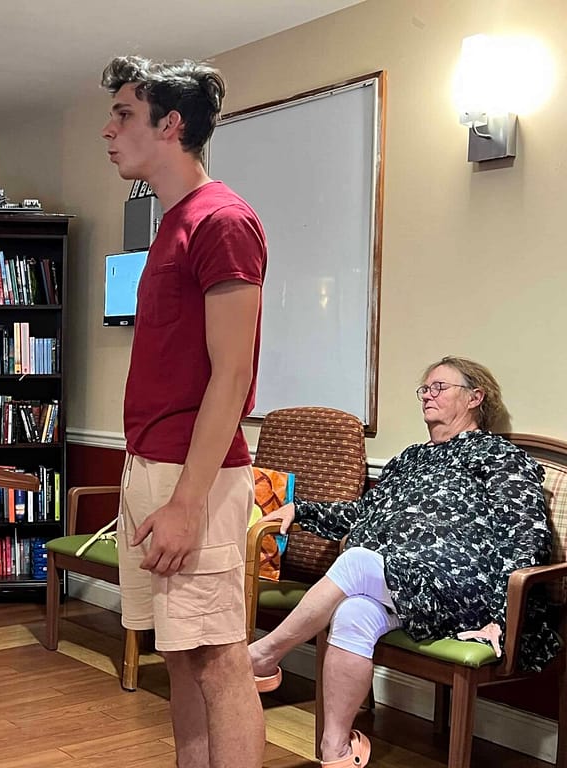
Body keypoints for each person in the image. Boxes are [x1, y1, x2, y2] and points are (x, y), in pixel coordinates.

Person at [248, 356, 560, 767]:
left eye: (439, 388)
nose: (427, 396)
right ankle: (337, 752)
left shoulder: (499, 456)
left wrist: (502, 615)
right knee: (354, 614)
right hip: (402, 580)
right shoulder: (410, 459)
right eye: (424, 389)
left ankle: (263, 656)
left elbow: (526, 536)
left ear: (474, 398)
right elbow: (362, 513)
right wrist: (299, 510)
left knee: (359, 561)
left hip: (463, 585)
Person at [101, 55, 268, 768]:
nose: (109, 132)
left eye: (125, 116)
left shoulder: (223, 221)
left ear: (171, 125)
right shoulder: (171, 223)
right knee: (181, 659)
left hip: (192, 479)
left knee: (220, 660)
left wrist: (186, 504)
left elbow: (232, 377)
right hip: (154, 466)